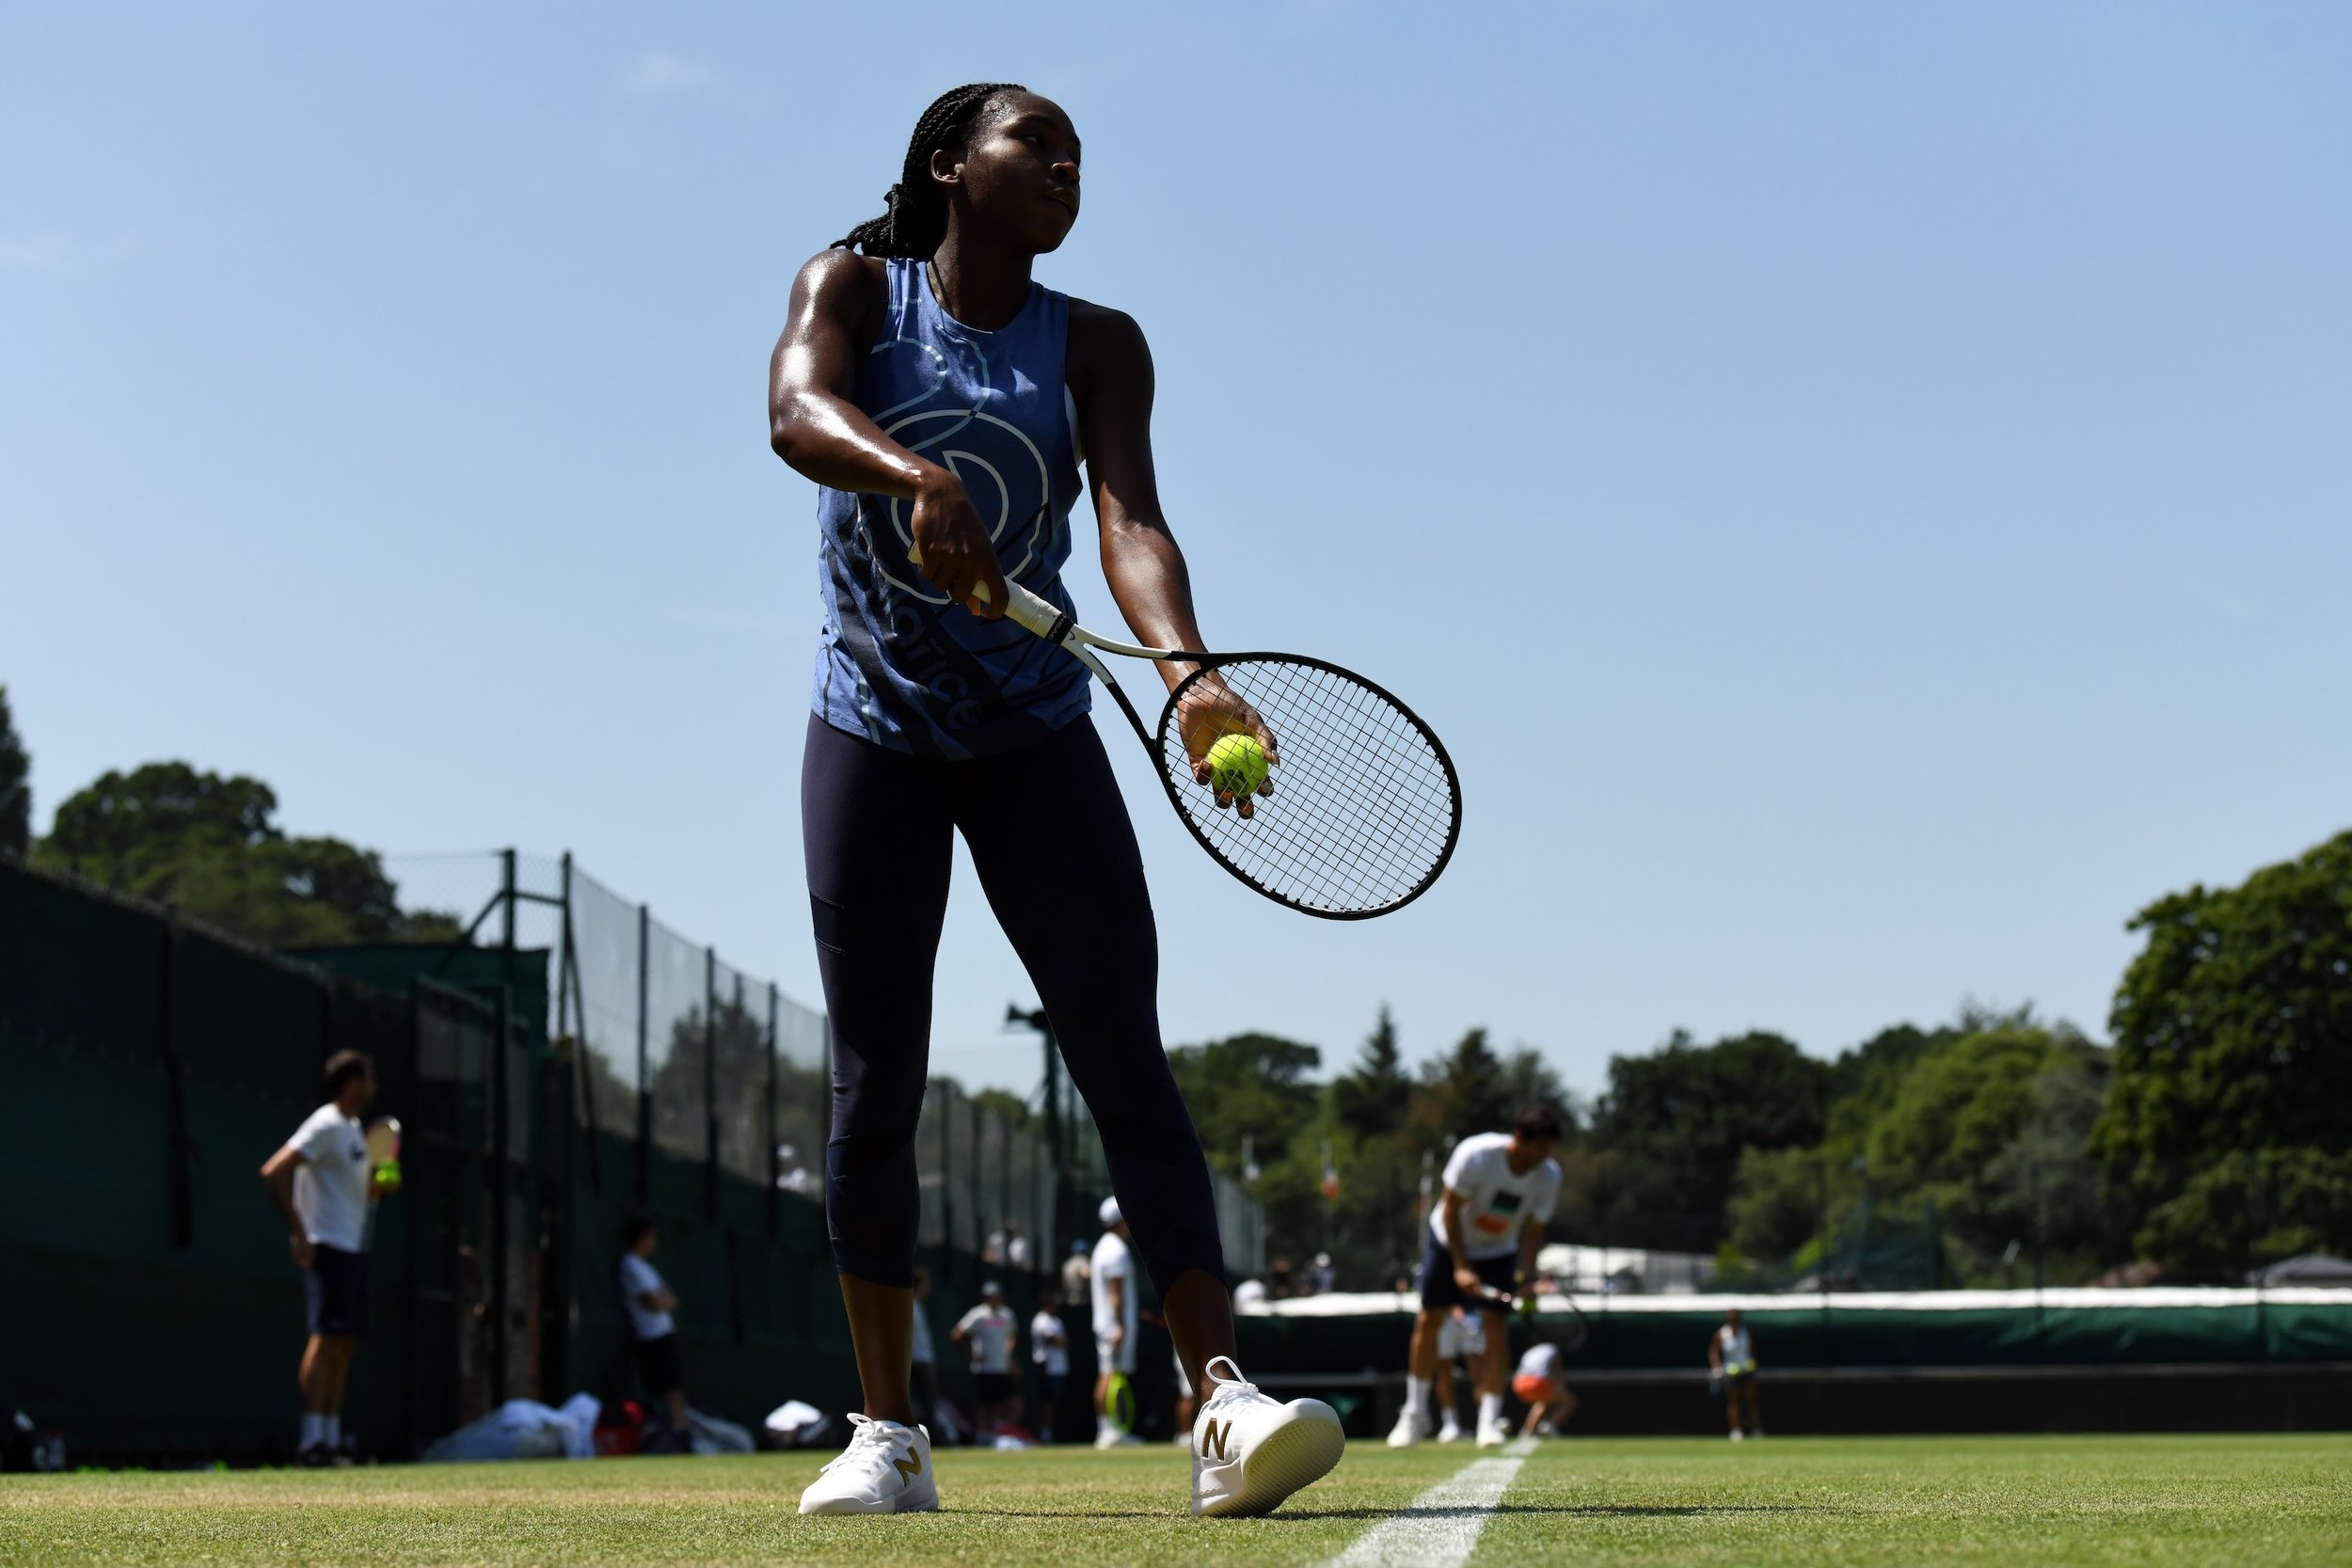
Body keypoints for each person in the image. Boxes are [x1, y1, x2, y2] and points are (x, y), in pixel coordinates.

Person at [771, 82, 1340, 1518]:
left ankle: (1221, 1399)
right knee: (874, 1079)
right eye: (1039, 143)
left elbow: (1130, 521)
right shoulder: (852, 285)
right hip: (875, 731)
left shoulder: (1096, 342)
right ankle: (888, 1433)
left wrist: (1190, 674)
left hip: (1034, 733)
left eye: (1078, 155)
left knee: (1123, 1059)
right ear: (953, 162)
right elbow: (795, 409)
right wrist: (917, 475)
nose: (1066, 166)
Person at [1390, 1104, 1563, 1449]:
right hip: (1448, 1241)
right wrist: (1461, 1265)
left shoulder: (1548, 1175)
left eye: (1549, 1148)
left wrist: (1527, 1276)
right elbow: (1451, 1209)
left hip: (1498, 1251)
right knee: (1429, 1320)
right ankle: (1414, 1414)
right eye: (1539, 1147)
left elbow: (1533, 1230)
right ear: (1518, 1138)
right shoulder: (1477, 1155)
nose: (1544, 1156)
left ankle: (1489, 1420)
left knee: (1497, 1329)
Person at [259, 1049, 384, 1465]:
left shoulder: (353, 1130)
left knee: (344, 1343)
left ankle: (330, 1439)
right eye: (369, 1079)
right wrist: (300, 1234)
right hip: (327, 1245)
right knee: (325, 1340)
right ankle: (310, 1441)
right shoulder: (326, 1123)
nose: (374, 1087)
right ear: (352, 1083)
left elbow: (357, 1194)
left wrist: (379, 1187)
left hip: (354, 1247)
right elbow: (275, 1171)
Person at [617, 1212, 692, 1449]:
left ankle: (683, 1434)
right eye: (651, 1237)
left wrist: (664, 1299)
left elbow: (670, 1298)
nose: (654, 1242)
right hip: (651, 1337)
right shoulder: (629, 1264)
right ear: (642, 1237)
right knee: (667, 1389)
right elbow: (654, 1301)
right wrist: (662, 1299)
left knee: (676, 1387)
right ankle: (676, 1437)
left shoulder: (646, 1267)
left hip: (664, 1335)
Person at [1089, 1199, 1142, 1449]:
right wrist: (1120, 1325)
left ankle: (1112, 1430)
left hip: (1110, 1324)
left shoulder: (1105, 1248)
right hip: (1114, 1325)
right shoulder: (1115, 1251)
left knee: (1111, 1375)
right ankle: (1108, 1431)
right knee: (1109, 1376)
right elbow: (1115, 1293)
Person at [951, 1281, 1021, 1434]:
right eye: (991, 1296)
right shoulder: (978, 1314)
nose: (994, 1299)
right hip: (984, 1369)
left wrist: (1010, 1358)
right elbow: (957, 1334)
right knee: (985, 1404)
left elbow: (1011, 1336)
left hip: (1002, 1368)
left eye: (996, 1296)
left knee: (1008, 1403)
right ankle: (983, 1435)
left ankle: (997, 1433)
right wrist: (971, 1356)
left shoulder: (1007, 1314)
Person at [1431, 1305, 1486, 1443]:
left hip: (1472, 1314)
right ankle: (1450, 1424)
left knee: (1479, 1373)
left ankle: (1486, 1421)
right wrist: (1451, 1307)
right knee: (1443, 1371)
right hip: (1444, 1316)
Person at [1708, 1307, 1764, 1442]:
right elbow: (1713, 1351)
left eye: (1735, 1317)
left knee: (1751, 1401)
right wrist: (1717, 1367)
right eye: (1730, 1317)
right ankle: (1736, 1431)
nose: (1733, 1319)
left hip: (1746, 1371)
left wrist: (1753, 1363)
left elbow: (1753, 1350)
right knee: (1733, 1402)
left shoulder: (1746, 1332)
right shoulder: (1721, 1333)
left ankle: (1757, 1430)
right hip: (1730, 1372)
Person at [1511, 1339, 1577, 1438]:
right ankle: (1549, 1425)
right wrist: (1560, 1386)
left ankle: (1527, 1431)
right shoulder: (1553, 1348)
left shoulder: (1532, 1351)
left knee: (1542, 1402)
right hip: (1537, 1383)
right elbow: (1558, 1370)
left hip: (1519, 1384)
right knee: (1568, 1401)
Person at [1029, 1290, 1070, 1443]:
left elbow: (1064, 1341)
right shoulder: (1041, 1320)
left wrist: (1062, 1341)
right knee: (1048, 1403)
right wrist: (1062, 1341)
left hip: (1060, 1367)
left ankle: (1055, 1432)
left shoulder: (1056, 1321)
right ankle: (1046, 1434)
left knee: (1057, 1402)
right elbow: (1056, 1340)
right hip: (1047, 1368)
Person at [1059, 1240, 1091, 1306]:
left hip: (1068, 1298)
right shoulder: (1082, 1260)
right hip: (1080, 1298)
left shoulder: (1068, 1263)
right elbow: (1086, 1275)